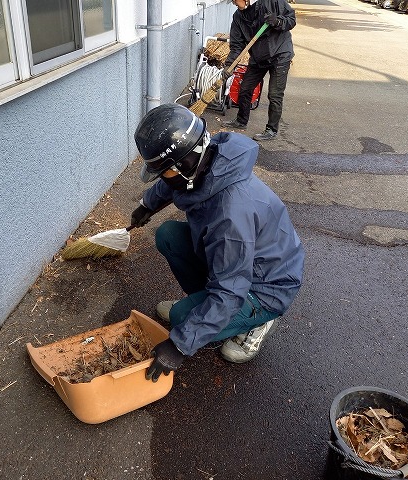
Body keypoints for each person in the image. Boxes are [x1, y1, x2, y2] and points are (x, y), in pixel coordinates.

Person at [130, 103, 305, 382]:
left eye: (166, 172)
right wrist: (147, 205)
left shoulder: (230, 216)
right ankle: (204, 309)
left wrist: (179, 345)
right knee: (169, 236)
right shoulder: (209, 159)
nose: (165, 178)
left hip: (266, 286)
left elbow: (230, 290)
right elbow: (172, 179)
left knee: (179, 319)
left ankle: (258, 321)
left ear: (185, 165)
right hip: (241, 263)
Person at [221, 0, 296, 141]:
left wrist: (278, 21)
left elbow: (291, 20)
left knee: (275, 94)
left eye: (235, 0)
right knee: (245, 88)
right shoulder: (238, 17)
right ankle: (241, 120)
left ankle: (271, 130)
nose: (233, 3)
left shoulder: (271, 2)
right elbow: (237, 44)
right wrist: (229, 65)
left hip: (280, 53)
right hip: (258, 57)